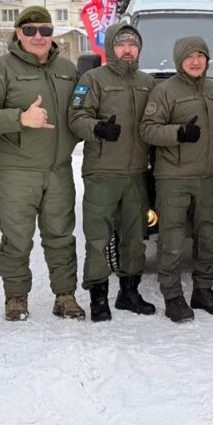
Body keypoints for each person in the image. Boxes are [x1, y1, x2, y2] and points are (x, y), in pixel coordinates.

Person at [0, 6, 84, 322]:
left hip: (58, 169)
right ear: (18, 33)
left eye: (45, 30)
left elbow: (79, 112)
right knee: (17, 238)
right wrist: (20, 118)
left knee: (61, 237)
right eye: (30, 30)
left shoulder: (67, 69)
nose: (38, 36)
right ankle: (16, 297)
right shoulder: (0, 70)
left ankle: (65, 296)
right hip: (17, 170)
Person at [140, 36, 213, 323]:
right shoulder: (164, 91)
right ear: (179, 61)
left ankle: (203, 291)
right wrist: (179, 133)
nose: (195, 62)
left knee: (207, 236)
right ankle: (173, 296)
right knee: (171, 238)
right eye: (189, 57)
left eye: (200, 56)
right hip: (173, 177)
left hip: (206, 177)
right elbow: (147, 129)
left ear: (207, 59)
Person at [68, 23, 156, 322]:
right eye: (121, 45)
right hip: (102, 173)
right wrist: (98, 128)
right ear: (110, 48)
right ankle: (98, 297)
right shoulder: (93, 79)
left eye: (133, 45)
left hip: (136, 174)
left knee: (134, 238)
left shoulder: (147, 83)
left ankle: (129, 293)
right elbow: (76, 118)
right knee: (98, 238)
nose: (127, 50)